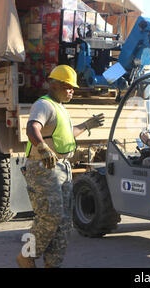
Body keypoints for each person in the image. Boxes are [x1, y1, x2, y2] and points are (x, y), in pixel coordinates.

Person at [16, 65, 105, 268]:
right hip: (43, 167)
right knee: (49, 215)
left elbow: (66, 135)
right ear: (54, 85)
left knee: (64, 222)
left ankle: (52, 264)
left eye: (72, 88)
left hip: (61, 167)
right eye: (67, 87)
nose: (72, 91)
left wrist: (86, 125)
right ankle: (26, 255)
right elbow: (32, 127)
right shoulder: (44, 105)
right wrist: (43, 148)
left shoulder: (59, 108)